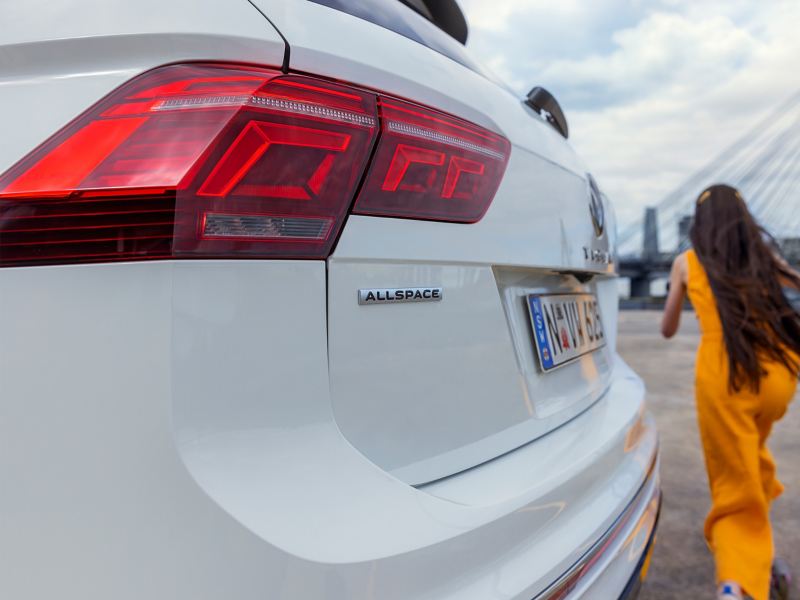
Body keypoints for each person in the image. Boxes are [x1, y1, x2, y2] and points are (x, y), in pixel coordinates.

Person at [660, 184, 800, 600]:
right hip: (776, 373)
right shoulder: (763, 258)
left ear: (700, 224)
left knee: (732, 486)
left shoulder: (686, 262)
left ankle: (735, 585)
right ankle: (762, 556)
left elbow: (667, 330)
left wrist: (681, 293)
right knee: (752, 459)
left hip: (728, 374)